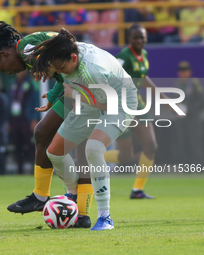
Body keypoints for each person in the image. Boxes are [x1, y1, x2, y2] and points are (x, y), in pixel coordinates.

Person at [0, 21, 94, 228]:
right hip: (77, 88)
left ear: (5, 54)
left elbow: (67, 50)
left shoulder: (27, 47)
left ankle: (83, 213)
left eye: (3, 70)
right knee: (43, 133)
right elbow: (62, 71)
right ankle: (41, 196)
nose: (9, 73)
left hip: (89, 88)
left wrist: (53, 91)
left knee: (80, 147)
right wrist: (53, 94)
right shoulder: (29, 53)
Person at [27, 29, 138, 230]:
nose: (60, 73)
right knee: (54, 152)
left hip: (120, 103)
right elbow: (73, 83)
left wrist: (73, 93)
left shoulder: (94, 71)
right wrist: (57, 94)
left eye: (61, 68)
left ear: (74, 57)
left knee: (93, 148)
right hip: (89, 98)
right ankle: (73, 195)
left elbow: (108, 105)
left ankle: (105, 217)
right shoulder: (67, 52)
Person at [105, 23, 166, 199]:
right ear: (129, 39)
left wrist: (163, 98)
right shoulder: (124, 56)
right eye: (136, 37)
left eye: (142, 37)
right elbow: (111, 73)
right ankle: (89, 157)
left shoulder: (144, 54)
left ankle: (137, 190)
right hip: (121, 106)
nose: (140, 40)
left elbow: (142, 77)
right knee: (125, 156)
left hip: (138, 105)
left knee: (151, 145)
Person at [173, 61, 204, 165]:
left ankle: (199, 166)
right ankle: (186, 166)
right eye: (181, 71)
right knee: (183, 142)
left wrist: (191, 111)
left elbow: (203, 103)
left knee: (195, 142)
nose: (183, 73)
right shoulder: (177, 85)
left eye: (185, 71)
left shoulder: (194, 84)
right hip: (181, 119)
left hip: (193, 119)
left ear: (189, 72)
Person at [9, 70, 40, 174]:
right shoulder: (13, 84)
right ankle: (19, 169)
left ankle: (33, 168)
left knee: (30, 145)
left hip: (27, 119)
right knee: (17, 145)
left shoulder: (31, 83)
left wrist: (35, 118)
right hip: (15, 119)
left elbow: (36, 99)